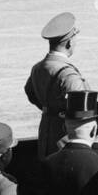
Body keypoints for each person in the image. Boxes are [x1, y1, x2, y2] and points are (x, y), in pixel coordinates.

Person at [24, 12, 88, 157]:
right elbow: (81, 111)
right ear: (69, 42)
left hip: (46, 130)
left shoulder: (38, 68)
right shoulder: (68, 74)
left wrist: (49, 108)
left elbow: (30, 93)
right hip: (65, 139)